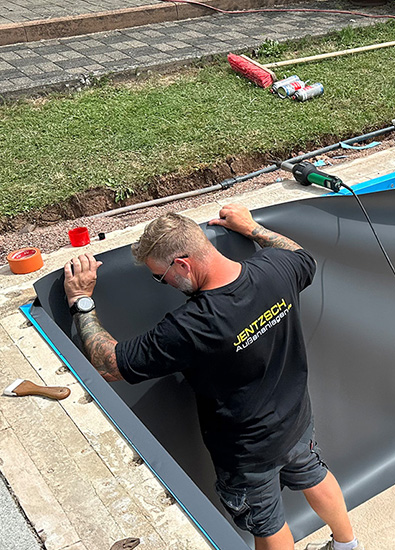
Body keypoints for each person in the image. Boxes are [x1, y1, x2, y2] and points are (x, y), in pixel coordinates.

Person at [63, 204, 362, 550]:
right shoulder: (276, 269)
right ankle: (347, 545)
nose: (165, 284)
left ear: (182, 264)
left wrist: (80, 300)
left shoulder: (190, 326)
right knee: (313, 473)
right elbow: (300, 256)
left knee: (267, 523)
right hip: (297, 420)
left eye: (160, 276)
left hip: (247, 452)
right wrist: (251, 228)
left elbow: (109, 364)